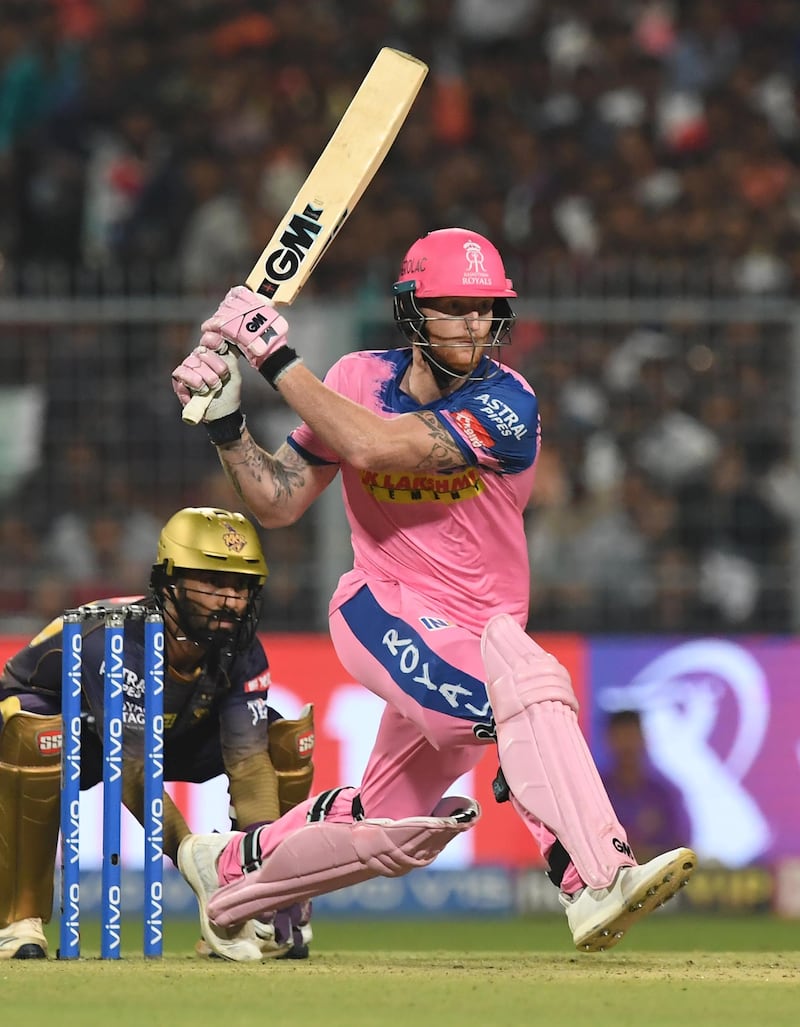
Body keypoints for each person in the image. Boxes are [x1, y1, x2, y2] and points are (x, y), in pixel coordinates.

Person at [170, 227, 696, 957]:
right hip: (380, 605)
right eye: (453, 307)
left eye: (485, 309)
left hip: (482, 633)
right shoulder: (355, 379)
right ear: (413, 311)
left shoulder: (509, 403)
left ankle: (228, 873)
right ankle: (591, 875)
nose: (474, 324)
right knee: (530, 692)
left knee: (393, 825)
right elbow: (282, 500)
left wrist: (272, 353)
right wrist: (228, 427)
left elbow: (377, 448)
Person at [0, 506, 314, 961]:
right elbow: (132, 773)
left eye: (241, 586)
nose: (231, 600)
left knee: (282, 741)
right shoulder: (117, 640)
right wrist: (194, 858)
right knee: (37, 735)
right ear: (171, 583)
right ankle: (18, 920)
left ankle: (260, 910)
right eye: (213, 582)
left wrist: (263, 861)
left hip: (172, 729)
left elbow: (248, 763)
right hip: (68, 724)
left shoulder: (239, 644)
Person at [598, 710, 692, 863]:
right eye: (620, 737)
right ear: (608, 741)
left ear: (643, 739)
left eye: (631, 737)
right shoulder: (595, 792)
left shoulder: (665, 793)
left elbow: (683, 847)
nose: (626, 745)